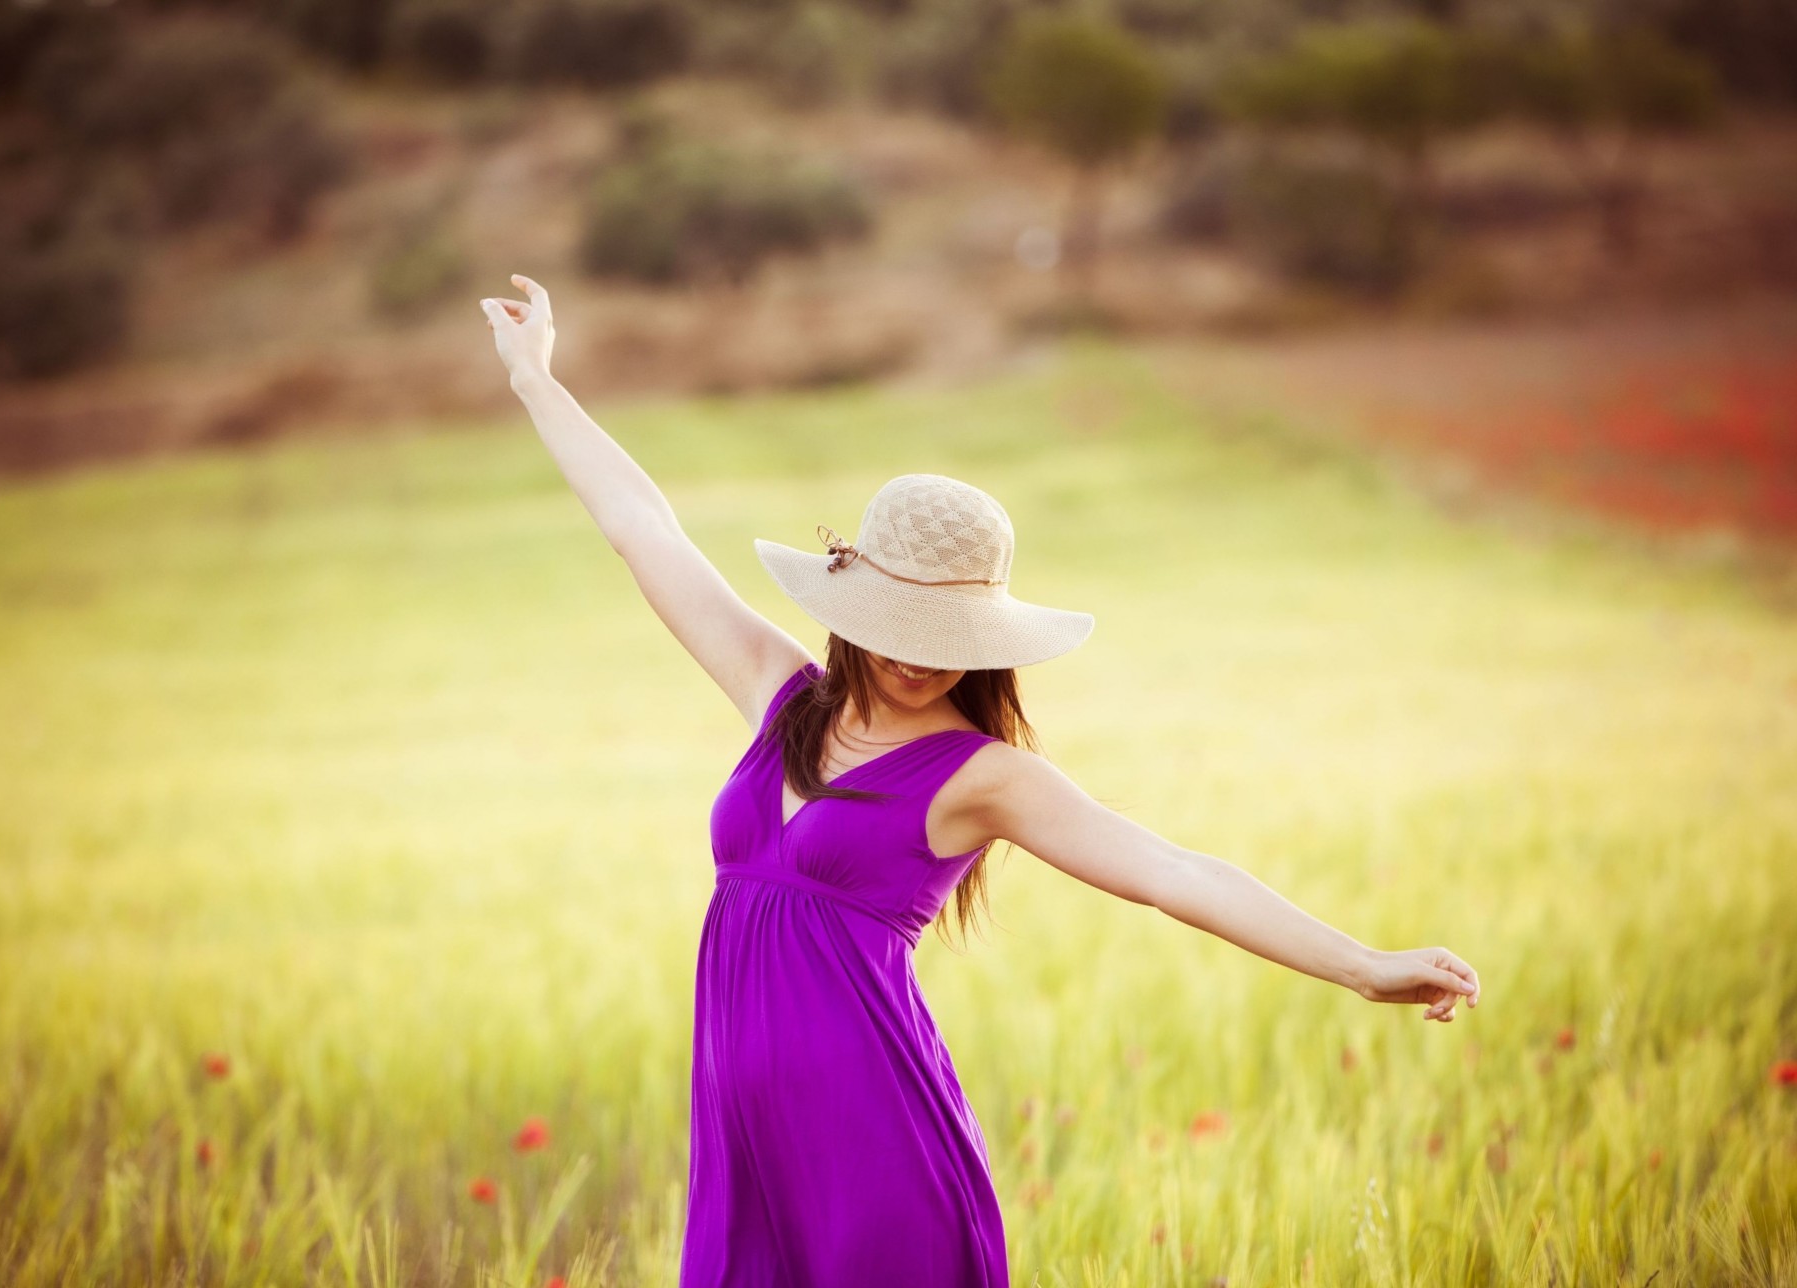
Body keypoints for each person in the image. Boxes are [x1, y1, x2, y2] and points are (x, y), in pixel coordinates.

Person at [480, 276, 1482, 1287]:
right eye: (899, 630)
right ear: (850, 604)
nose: (921, 660)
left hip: (874, 1138)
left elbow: (1173, 870)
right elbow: (643, 528)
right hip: (745, 1139)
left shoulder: (981, 774)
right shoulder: (778, 695)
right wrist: (538, 381)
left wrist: (1363, 964)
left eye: (950, 638)